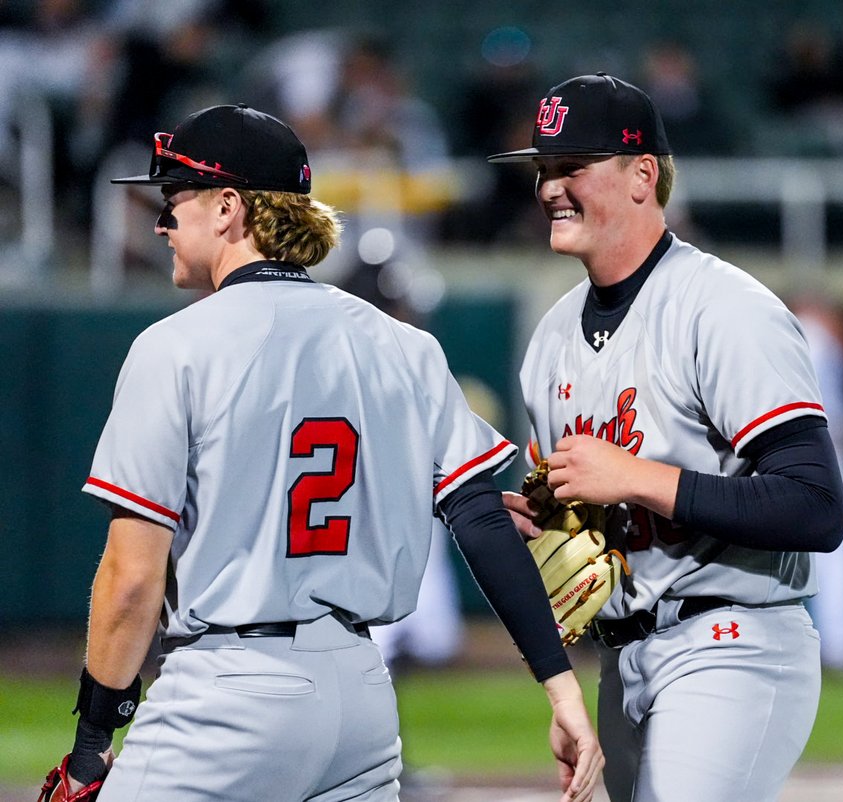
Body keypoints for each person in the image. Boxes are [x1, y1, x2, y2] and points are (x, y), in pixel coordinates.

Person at [52, 103, 602, 802]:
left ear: (227, 208)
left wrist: (91, 743)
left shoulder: (175, 347)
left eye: (174, 199)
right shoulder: (404, 345)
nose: (161, 222)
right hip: (362, 702)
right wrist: (562, 690)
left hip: (228, 692)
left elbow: (133, 578)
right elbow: (484, 521)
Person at [488, 73, 843, 802]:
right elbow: (599, 527)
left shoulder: (724, 309)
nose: (550, 188)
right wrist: (549, 522)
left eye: (572, 167)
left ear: (642, 176)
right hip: (621, 658)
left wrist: (634, 477)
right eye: (543, 169)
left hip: (733, 640)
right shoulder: (550, 338)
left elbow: (816, 506)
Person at [791, 296, 843, 671]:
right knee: (842, 553)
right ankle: (842, 643)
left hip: (775, 453)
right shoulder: (820, 341)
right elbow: (833, 414)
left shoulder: (776, 329)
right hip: (820, 452)